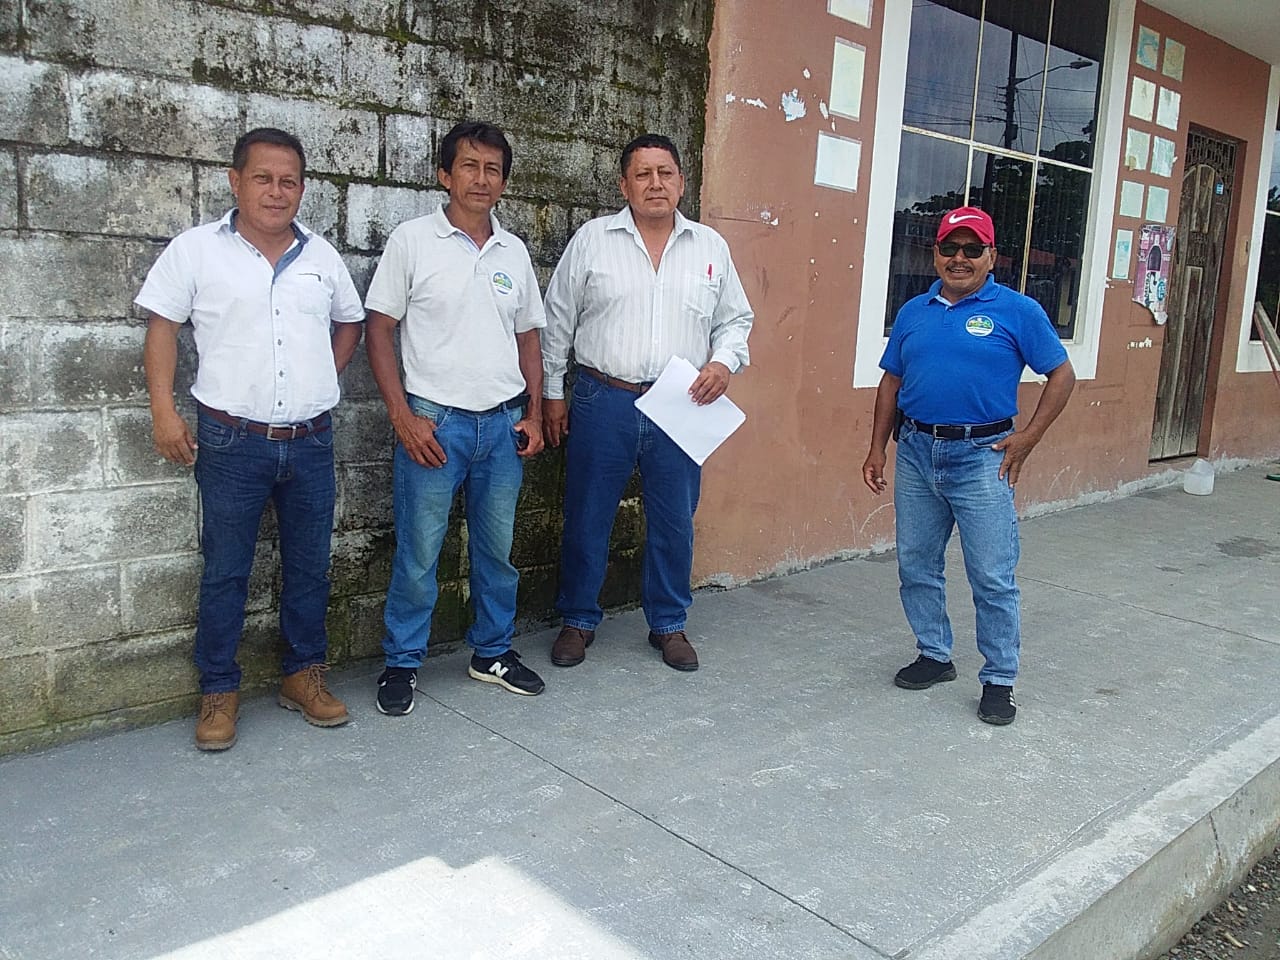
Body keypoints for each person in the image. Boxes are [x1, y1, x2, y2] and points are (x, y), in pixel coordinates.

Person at [138, 127, 365, 751]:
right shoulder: (196, 251)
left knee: (310, 566)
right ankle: (218, 689)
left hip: (311, 441)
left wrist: (324, 375)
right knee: (226, 570)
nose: (276, 191)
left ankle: (302, 674)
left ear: (302, 189)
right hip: (231, 442)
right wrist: (164, 411)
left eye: (289, 181)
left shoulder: (321, 257)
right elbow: (162, 328)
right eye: (263, 178)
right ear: (235, 181)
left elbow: (351, 321)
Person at [541, 133, 754, 673]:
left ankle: (668, 623)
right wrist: (552, 394)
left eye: (665, 173)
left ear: (681, 181)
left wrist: (723, 363)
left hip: (681, 401)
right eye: (643, 174)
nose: (655, 184)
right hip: (603, 397)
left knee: (675, 520)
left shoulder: (710, 247)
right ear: (624, 185)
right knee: (587, 514)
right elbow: (557, 319)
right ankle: (578, 619)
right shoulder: (593, 240)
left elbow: (735, 319)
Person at [862, 206, 1076, 726]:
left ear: (991, 256)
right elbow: (891, 381)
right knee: (916, 563)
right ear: (936, 253)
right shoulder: (914, 311)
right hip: (917, 452)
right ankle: (934, 654)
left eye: (972, 249)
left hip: (983, 458)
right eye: (949, 248)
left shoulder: (1018, 311)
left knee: (991, 575)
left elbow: (1062, 375)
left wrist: (1027, 439)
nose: (959, 258)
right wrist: (877, 448)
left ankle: (999, 679)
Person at [364, 120, 547, 716]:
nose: (481, 178)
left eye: (493, 169)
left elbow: (529, 338)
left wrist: (534, 414)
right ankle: (402, 661)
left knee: (498, 552)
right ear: (445, 175)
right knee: (420, 553)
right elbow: (379, 329)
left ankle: (491, 652)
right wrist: (402, 417)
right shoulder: (413, 241)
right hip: (434, 426)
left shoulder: (513, 252)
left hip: (502, 427)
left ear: (504, 182)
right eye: (469, 166)